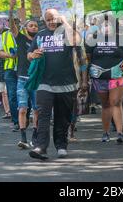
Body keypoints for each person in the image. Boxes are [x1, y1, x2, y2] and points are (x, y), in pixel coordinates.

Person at [28, 9, 85, 160]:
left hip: (66, 83)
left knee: (63, 117)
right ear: (44, 21)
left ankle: (61, 145)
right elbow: (29, 54)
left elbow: (78, 40)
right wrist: (32, 55)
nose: (51, 21)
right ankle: (41, 147)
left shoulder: (66, 33)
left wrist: (65, 21)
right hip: (44, 82)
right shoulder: (40, 35)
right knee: (43, 114)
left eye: (53, 18)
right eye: (48, 19)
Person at [85, 16, 123, 144]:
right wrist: (89, 72)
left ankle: (120, 133)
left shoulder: (121, 39)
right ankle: (106, 132)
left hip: (117, 76)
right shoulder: (93, 39)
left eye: (108, 24)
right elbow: (87, 57)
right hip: (100, 77)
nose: (106, 27)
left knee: (115, 102)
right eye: (103, 25)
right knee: (105, 105)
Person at [4, 0, 39, 149]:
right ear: (26, 28)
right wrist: (11, 10)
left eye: (36, 26)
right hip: (22, 79)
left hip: (37, 79)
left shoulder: (41, 41)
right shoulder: (20, 38)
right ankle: (23, 138)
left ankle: (35, 137)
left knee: (37, 110)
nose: (34, 27)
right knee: (22, 108)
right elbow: (12, 26)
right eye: (31, 25)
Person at [0, 23, 20, 131]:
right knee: (12, 96)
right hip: (9, 69)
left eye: (15, 22)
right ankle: (16, 121)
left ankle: (24, 118)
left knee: (27, 94)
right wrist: (10, 55)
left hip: (23, 68)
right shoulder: (3, 35)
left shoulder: (25, 33)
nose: (13, 24)